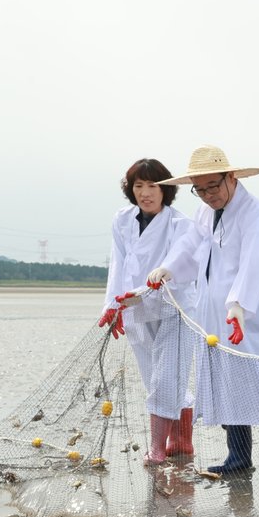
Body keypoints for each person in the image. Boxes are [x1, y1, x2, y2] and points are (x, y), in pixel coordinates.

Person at [145, 146, 259, 483]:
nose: (207, 195)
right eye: (199, 189)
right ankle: (239, 457)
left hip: (250, 317)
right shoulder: (205, 213)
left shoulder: (257, 214)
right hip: (214, 315)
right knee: (229, 385)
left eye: (213, 186)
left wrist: (238, 306)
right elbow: (189, 246)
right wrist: (167, 268)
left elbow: (255, 262)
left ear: (232, 177)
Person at [99, 158, 199, 464]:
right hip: (135, 308)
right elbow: (117, 264)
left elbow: (187, 260)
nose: (145, 192)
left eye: (152, 185)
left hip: (175, 308)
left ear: (165, 189)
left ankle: (157, 448)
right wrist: (112, 305)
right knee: (152, 377)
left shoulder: (181, 223)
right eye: (138, 186)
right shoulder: (122, 219)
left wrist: (165, 271)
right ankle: (182, 442)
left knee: (167, 377)